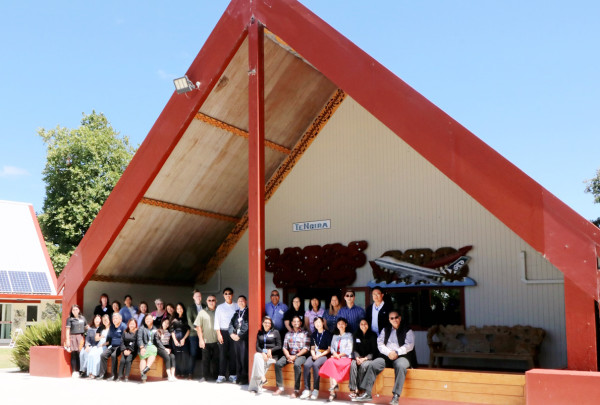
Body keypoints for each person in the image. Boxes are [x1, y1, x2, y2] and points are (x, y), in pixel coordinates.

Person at [353, 311, 417, 404]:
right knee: (373, 364)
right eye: (392, 318)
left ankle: (396, 396)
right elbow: (380, 344)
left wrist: (397, 352)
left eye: (396, 317)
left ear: (400, 318)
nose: (394, 319)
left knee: (400, 366)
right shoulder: (385, 330)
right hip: (387, 355)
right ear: (389, 320)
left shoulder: (407, 330)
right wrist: (389, 353)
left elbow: (409, 345)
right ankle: (367, 393)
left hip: (402, 356)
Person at [274, 315, 310, 398]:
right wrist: (288, 356)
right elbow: (284, 347)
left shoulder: (305, 333)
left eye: (298, 321)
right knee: (278, 364)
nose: (296, 323)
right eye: (294, 321)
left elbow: (306, 348)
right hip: (289, 354)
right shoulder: (288, 334)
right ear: (292, 323)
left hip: (301, 355)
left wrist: (296, 356)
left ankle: (296, 390)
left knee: (297, 365)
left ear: (300, 323)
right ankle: (280, 387)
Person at [319, 318, 354, 402]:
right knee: (330, 362)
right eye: (339, 324)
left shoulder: (349, 335)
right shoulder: (335, 336)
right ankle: (333, 390)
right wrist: (335, 354)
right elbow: (332, 349)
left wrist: (339, 355)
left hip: (345, 358)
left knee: (333, 364)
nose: (340, 325)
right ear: (337, 325)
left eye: (342, 324)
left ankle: (333, 392)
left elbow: (349, 350)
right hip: (336, 357)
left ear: (345, 325)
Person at [301, 316, 332, 400]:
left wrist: (318, 356)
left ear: (323, 323)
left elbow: (329, 349)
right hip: (315, 354)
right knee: (307, 365)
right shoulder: (314, 334)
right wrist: (313, 354)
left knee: (315, 365)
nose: (317, 324)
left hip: (324, 355)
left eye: (319, 322)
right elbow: (312, 348)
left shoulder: (328, 334)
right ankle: (307, 389)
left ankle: (315, 389)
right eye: (315, 323)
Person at [248, 316, 281, 393]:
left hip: (272, 356)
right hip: (262, 356)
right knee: (257, 355)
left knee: (257, 364)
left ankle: (255, 387)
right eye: (265, 322)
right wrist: (263, 353)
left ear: (271, 324)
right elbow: (257, 347)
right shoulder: (259, 333)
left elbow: (279, 346)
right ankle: (262, 378)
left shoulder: (276, 332)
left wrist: (271, 350)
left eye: (269, 323)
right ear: (262, 323)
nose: (267, 324)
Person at [349, 318, 379, 399]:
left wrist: (364, 359)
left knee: (363, 366)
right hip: (359, 357)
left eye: (365, 324)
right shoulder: (356, 334)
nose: (363, 326)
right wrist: (357, 357)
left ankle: (360, 389)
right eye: (361, 324)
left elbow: (374, 351)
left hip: (369, 358)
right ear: (359, 325)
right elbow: (354, 349)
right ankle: (352, 389)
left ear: (368, 325)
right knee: (353, 364)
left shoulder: (373, 335)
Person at [214, 287, 238, 383]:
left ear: (232, 295)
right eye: (226, 293)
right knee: (222, 354)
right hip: (223, 332)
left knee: (233, 354)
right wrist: (218, 334)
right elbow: (217, 321)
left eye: (229, 293)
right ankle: (221, 375)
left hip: (233, 332)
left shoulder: (236, 305)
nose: (228, 295)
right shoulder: (220, 307)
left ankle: (233, 375)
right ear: (223, 295)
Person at [194, 294, 219, 382]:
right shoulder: (202, 312)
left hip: (217, 340)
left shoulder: (219, 311)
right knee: (205, 360)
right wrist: (201, 340)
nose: (211, 302)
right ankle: (205, 376)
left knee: (216, 360)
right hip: (205, 341)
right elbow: (198, 327)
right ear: (206, 302)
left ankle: (216, 376)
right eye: (209, 300)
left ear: (216, 301)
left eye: (213, 300)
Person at [138, 313, 166, 383]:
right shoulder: (142, 328)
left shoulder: (155, 328)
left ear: (152, 320)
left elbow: (157, 340)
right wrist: (142, 348)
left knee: (154, 350)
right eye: (146, 319)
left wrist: (164, 348)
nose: (148, 320)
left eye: (149, 319)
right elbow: (139, 339)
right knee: (143, 357)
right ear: (144, 320)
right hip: (144, 346)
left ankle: (146, 368)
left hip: (152, 345)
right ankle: (143, 376)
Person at [98, 312, 127, 380]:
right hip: (112, 346)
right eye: (113, 319)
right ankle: (103, 374)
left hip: (120, 346)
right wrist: (104, 344)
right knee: (103, 355)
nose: (114, 320)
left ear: (120, 319)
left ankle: (114, 375)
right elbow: (109, 338)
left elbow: (126, 338)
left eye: (116, 318)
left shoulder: (123, 326)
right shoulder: (111, 327)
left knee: (113, 355)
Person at [229, 295, 249, 385]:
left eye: (242, 301)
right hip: (235, 338)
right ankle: (239, 376)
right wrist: (231, 334)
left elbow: (246, 325)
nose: (241, 302)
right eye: (239, 301)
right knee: (237, 358)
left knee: (243, 358)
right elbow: (231, 324)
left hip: (243, 339)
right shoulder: (236, 313)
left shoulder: (248, 312)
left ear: (246, 302)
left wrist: (239, 335)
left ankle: (244, 378)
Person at [65, 304, 87, 377]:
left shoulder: (83, 318)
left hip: (80, 337)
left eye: (76, 309)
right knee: (74, 354)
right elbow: (67, 330)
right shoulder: (69, 319)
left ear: (79, 310)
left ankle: (81, 371)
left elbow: (86, 327)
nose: (75, 311)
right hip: (73, 337)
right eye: (73, 310)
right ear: (71, 311)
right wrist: (68, 339)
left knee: (80, 354)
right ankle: (74, 371)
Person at [187, 289, 205, 379]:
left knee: (205, 353)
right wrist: (197, 329)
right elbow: (190, 321)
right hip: (194, 334)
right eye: (197, 296)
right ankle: (190, 373)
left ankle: (205, 374)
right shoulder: (190, 308)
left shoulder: (205, 306)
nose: (198, 297)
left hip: (204, 334)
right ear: (193, 297)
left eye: (200, 296)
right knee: (193, 353)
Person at [87, 314, 111, 378]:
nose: (105, 321)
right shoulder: (101, 328)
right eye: (103, 320)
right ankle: (90, 372)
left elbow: (110, 341)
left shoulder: (111, 328)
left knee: (97, 355)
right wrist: (101, 337)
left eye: (106, 320)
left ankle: (95, 373)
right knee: (91, 354)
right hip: (99, 345)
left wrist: (103, 344)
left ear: (109, 320)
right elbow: (96, 338)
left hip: (106, 346)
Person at [171, 302, 191, 378]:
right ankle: (178, 372)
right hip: (176, 338)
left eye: (181, 308)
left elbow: (189, 330)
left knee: (184, 355)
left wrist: (184, 339)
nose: (179, 310)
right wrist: (175, 340)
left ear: (183, 309)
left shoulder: (186, 318)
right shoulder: (174, 319)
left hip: (184, 338)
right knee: (178, 356)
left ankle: (184, 372)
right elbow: (172, 330)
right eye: (178, 308)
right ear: (176, 310)